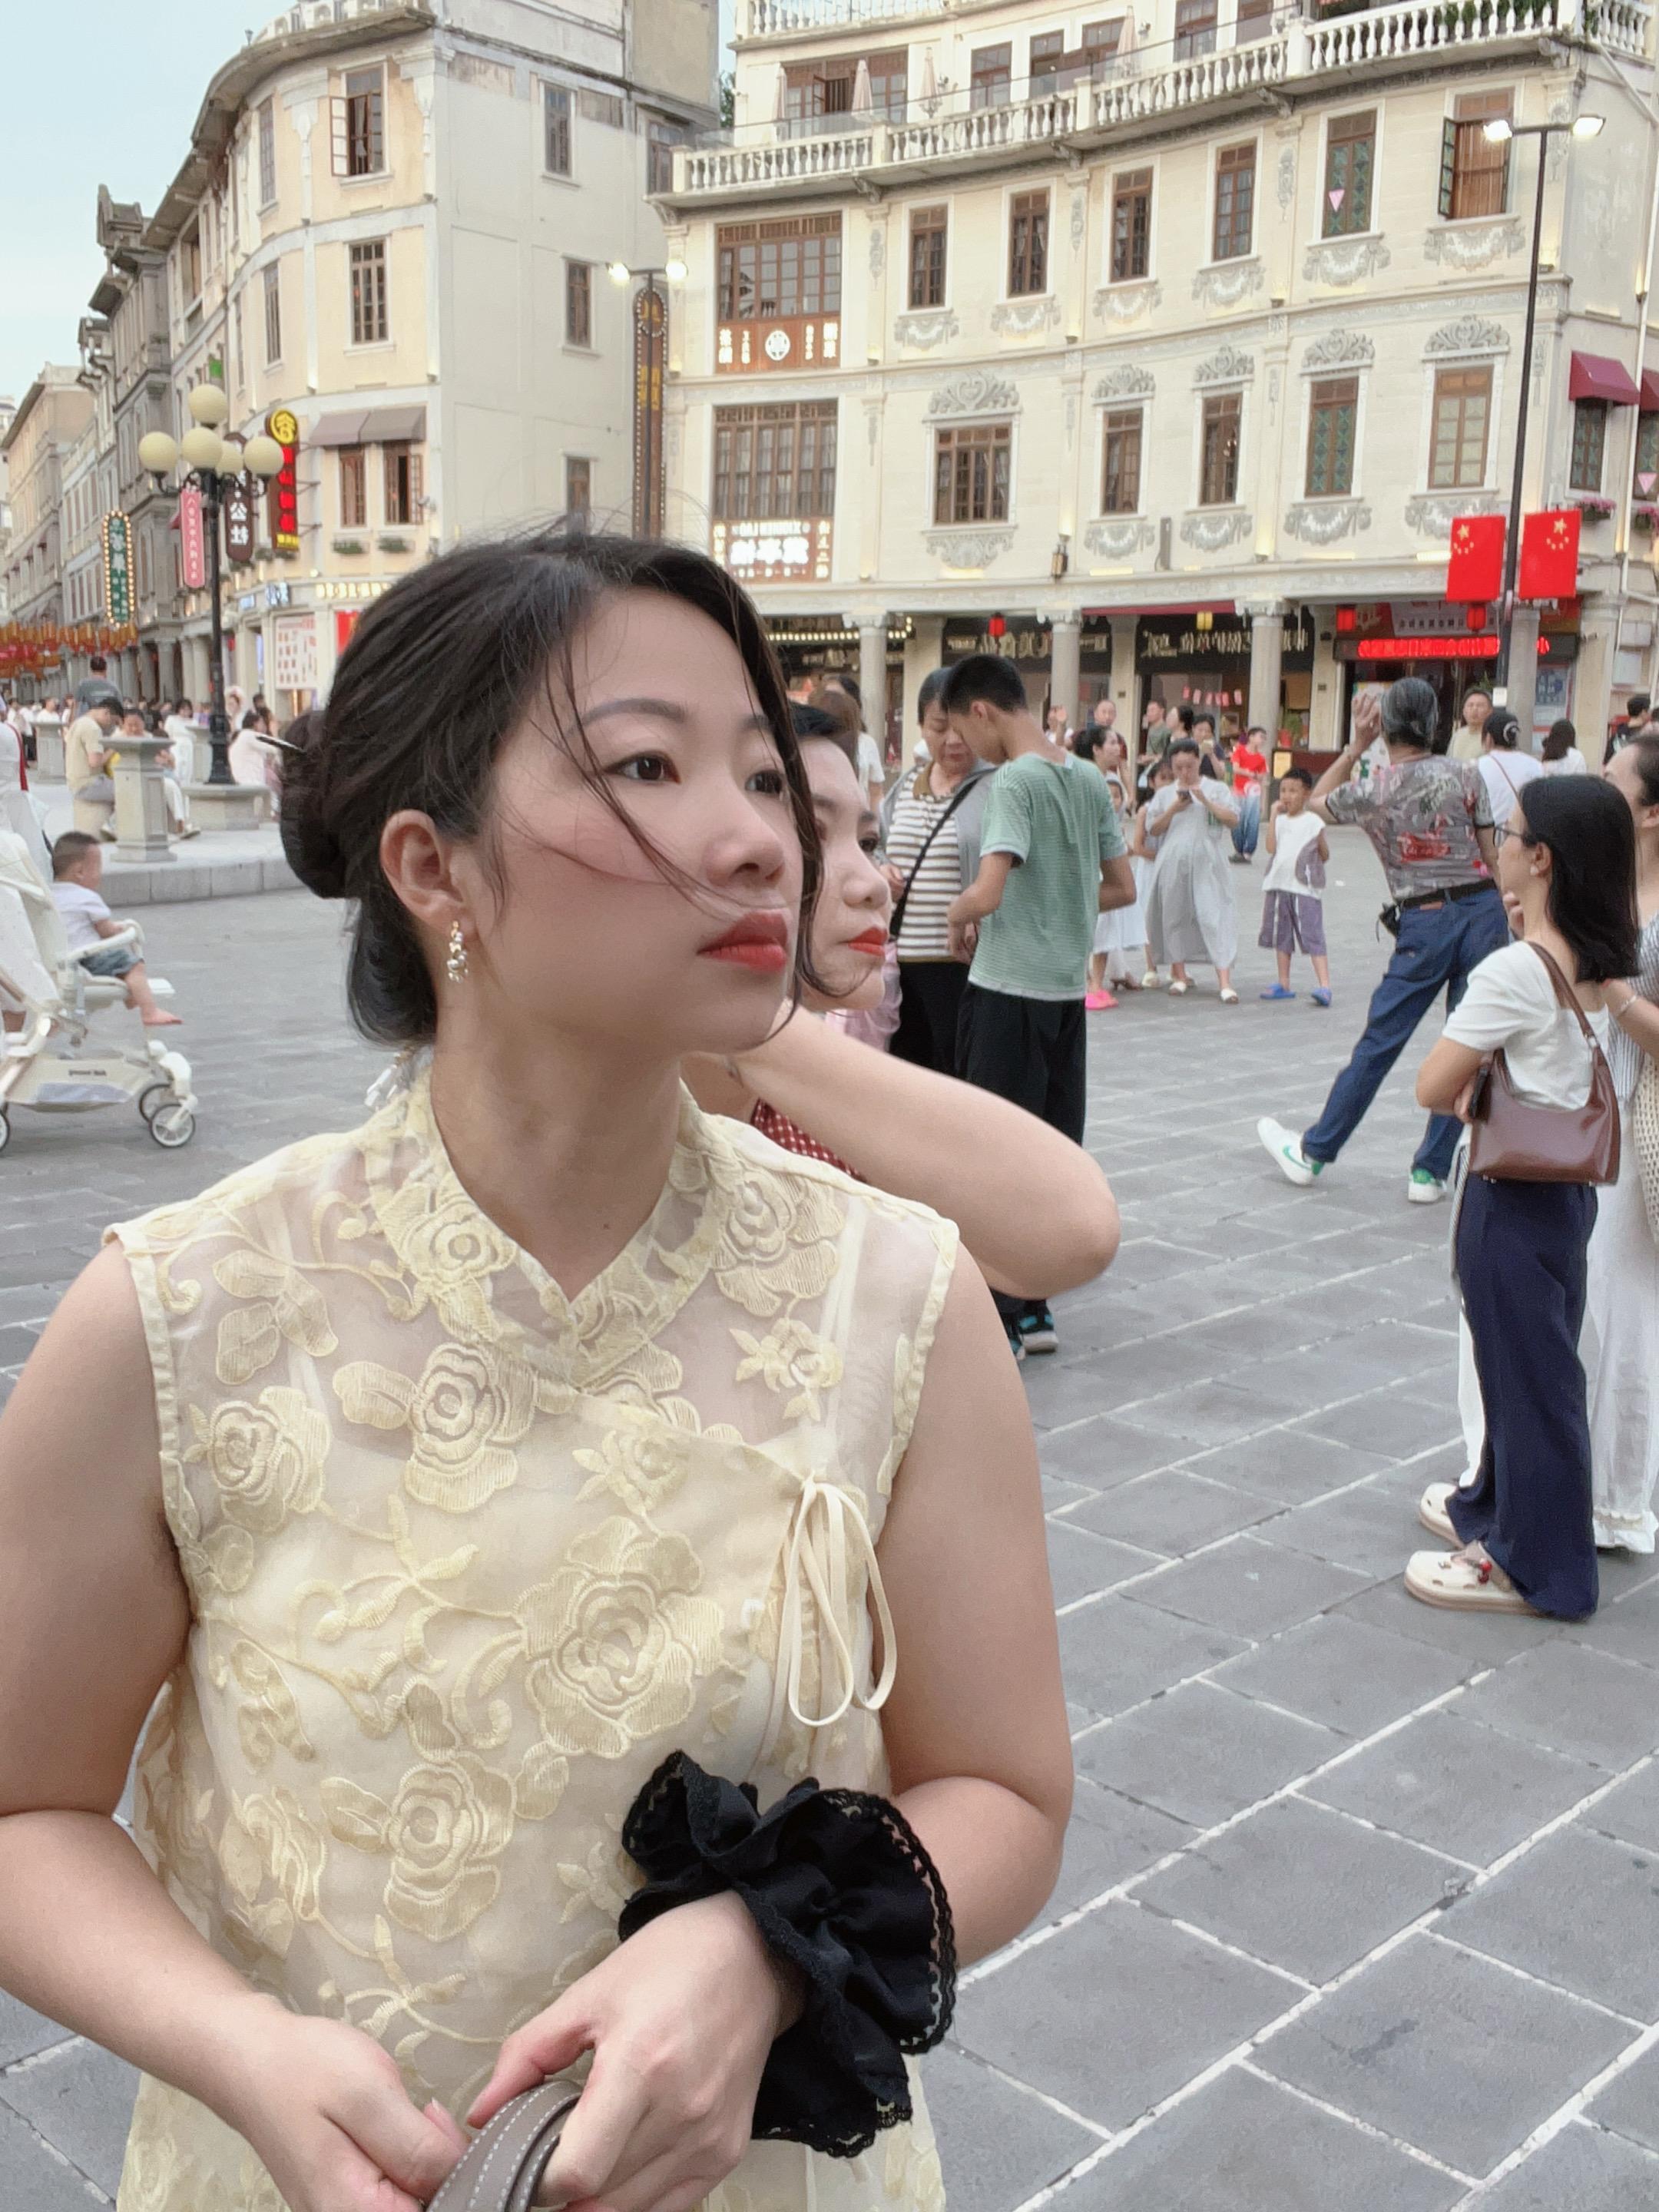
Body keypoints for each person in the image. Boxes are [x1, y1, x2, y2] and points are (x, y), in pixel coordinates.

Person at [0, 531, 1071, 2212]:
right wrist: (234, 2044)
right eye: (647, 767)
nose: (758, 837)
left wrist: (769, 1948)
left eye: (762, 776)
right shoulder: (181, 1315)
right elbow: (26, 1810)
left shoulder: (899, 1297)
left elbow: (1002, 1791)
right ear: (433, 868)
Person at [690, 711, 1120, 1299]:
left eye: (868, 843)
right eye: (810, 835)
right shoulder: (645, 1124)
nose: (873, 882)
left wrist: (748, 1020)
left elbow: (1078, 1230)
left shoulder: (812, 1111)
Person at [1408, 775, 1635, 1618]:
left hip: (1509, 1198)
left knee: (1530, 1385)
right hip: (1567, 1197)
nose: (1496, 846)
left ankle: (1534, 1565)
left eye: (1507, 834)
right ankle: (1494, 1507)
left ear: (1540, 859)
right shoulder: (1602, 959)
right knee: (1530, 1368)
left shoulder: (1514, 971)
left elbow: (1433, 1087)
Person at [941, 653, 1134, 1359]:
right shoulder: (1086, 778)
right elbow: (1121, 887)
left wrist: (957, 914)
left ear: (983, 711)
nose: (967, 744)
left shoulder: (1014, 781)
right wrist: (1063, 904)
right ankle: (1036, 1307)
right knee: (1051, 1152)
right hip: (1063, 996)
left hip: (1004, 994)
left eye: (963, 730)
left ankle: (996, 1310)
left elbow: (988, 890)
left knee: (992, 1159)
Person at [1258, 677, 1506, 1204]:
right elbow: (1492, 854)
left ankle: (1315, 1150)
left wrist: (1355, 746)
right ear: (1436, 724)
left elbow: (1314, 803)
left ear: (1385, 728)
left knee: (1381, 1041)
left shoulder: (1374, 789)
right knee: (1470, 1041)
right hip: (1483, 911)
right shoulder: (1468, 774)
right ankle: (1430, 1171)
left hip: (1424, 919)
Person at [1582, 736, 1659, 1551]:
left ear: (1651, 810)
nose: (1598, 787)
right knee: (1587, 1301)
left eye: (1614, 779)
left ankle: (1620, 1497)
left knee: (1627, 1305)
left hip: (1642, 1120)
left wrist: (1612, 991)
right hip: (1584, 1109)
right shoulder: (1602, 877)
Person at [879, 668, 995, 1075]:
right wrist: (882, 870)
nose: (952, 740)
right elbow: (876, 845)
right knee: (905, 1073)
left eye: (961, 728)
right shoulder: (906, 786)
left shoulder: (997, 786)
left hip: (962, 963)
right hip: (901, 963)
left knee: (957, 1072)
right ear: (921, 727)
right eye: (939, 727)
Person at [1140, 737, 1240, 1001]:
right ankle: (1179, 974)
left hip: (1208, 859)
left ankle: (1225, 980)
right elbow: (1153, 829)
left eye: (1190, 766)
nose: (1184, 772)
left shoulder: (1216, 789)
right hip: (1174, 859)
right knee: (1175, 914)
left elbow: (1232, 820)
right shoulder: (1165, 794)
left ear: (1199, 761)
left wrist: (1205, 801)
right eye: (1179, 767)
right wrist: (1174, 808)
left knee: (1213, 915)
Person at [48, 830, 181, 1027]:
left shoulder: (48, 895)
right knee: (132, 964)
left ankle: (132, 995)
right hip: (85, 960)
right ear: (80, 872)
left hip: (56, 961)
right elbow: (106, 931)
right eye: (98, 868)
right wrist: (120, 929)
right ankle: (149, 1011)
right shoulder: (87, 898)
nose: (100, 875)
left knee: (116, 963)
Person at [1078, 728, 1147, 1005]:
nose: (1117, 748)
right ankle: (1091, 982)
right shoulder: (1086, 780)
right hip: (1092, 859)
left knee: (1107, 922)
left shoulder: (1109, 779)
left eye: (1118, 743)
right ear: (1095, 749)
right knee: (1096, 920)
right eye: (1111, 743)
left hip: (1109, 856)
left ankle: (1106, 976)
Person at [1257, 767, 1331, 1005]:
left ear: (1306, 793)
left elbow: (1324, 853)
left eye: (1293, 791)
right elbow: (1270, 847)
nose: (1287, 796)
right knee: (1282, 936)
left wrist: (1316, 861)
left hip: (1304, 888)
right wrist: (1272, 816)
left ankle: (1324, 985)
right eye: (1283, 790)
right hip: (1279, 885)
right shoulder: (1279, 821)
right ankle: (1284, 982)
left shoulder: (1313, 822)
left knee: (1313, 934)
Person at [117, 707, 198, 839]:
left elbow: (170, 763)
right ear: (123, 724)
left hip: (153, 775)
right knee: (170, 785)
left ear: (143, 724)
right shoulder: (119, 739)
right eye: (130, 725)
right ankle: (181, 823)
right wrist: (160, 760)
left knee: (175, 785)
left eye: (137, 725)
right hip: (130, 778)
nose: (133, 729)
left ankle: (183, 822)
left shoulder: (149, 738)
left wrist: (165, 759)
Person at [1131, 754, 1174, 987]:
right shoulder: (1145, 811)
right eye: (1163, 778)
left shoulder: (1180, 808)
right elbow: (1138, 847)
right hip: (1150, 870)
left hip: (1173, 870)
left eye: (1171, 778)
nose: (1167, 783)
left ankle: (1177, 968)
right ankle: (1151, 967)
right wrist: (1162, 856)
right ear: (1151, 782)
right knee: (1149, 917)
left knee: (1175, 916)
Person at [63, 683, 123, 840]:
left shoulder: (79, 722)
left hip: (76, 781)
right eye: (113, 722)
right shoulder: (93, 729)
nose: (111, 726)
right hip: (89, 783)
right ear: (106, 713)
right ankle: (113, 825)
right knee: (129, 789)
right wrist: (114, 746)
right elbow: (95, 762)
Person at [820, 672, 885, 810]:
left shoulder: (866, 743)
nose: (831, 702)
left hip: (858, 818)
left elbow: (876, 793)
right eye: (827, 696)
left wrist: (876, 821)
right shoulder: (814, 741)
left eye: (837, 697)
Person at [1476, 704, 1543, 831]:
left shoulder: (1476, 767)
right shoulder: (1536, 766)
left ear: (1488, 738)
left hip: (1489, 835)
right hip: (1522, 835)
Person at [1229, 724, 1267, 863]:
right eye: (1261, 737)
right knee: (1236, 821)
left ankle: (1248, 852)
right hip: (1238, 791)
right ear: (1251, 737)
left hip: (1253, 793)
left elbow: (1262, 779)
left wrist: (1262, 802)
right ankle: (1238, 850)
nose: (1263, 741)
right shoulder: (1239, 751)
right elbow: (1235, 769)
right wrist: (1251, 773)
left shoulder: (1261, 758)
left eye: (1264, 738)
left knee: (1253, 822)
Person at [1448, 685, 1492, 763]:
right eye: (1470, 705)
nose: (1474, 709)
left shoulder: (1491, 738)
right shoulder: (1458, 734)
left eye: (1480, 706)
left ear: (1490, 711)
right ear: (1464, 711)